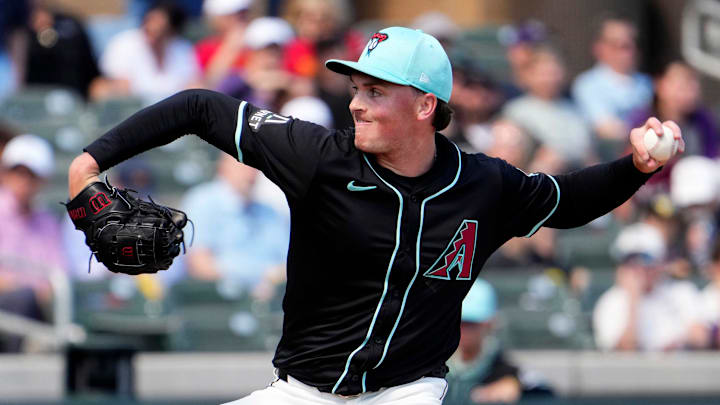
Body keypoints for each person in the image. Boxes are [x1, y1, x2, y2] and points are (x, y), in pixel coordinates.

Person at [68, 26, 683, 404]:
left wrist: (636, 166)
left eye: (375, 91)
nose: (356, 103)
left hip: (407, 394)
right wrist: (90, 161)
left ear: (424, 106)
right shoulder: (319, 159)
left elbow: (568, 201)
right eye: (357, 88)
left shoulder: (483, 185)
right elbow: (201, 106)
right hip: (300, 395)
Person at [181, 154, 289, 301]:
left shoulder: (268, 211)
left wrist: (273, 279)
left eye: (255, 166)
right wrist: (259, 276)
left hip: (272, 301)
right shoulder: (202, 201)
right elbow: (199, 265)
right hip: (219, 303)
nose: (251, 172)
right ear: (223, 167)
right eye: (243, 164)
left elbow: (289, 263)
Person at [593, 222, 707, 351]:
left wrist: (677, 343)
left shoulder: (682, 292)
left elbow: (700, 338)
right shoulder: (610, 302)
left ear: (660, 263)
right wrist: (633, 301)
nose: (638, 268)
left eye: (645, 260)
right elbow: (625, 351)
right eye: (630, 261)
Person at [1, 134, 67, 352]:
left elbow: (57, 275)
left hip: (34, 309)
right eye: (18, 172)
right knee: (23, 300)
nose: (24, 181)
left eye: (31, 175)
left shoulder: (47, 222)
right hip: (13, 305)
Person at [89, 1, 199, 103]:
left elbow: (193, 85)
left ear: (172, 32)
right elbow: (105, 85)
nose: (153, 34)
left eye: (160, 31)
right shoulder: (124, 43)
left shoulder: (183, 50)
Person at [502, 45, 592, 170]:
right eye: (543, 74)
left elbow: (586, 152)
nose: (549, 79)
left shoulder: (574, 110)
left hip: (573, 174)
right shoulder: (517, 110)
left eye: (554, 73)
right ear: (528, 76)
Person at [572, 16, 653, 143]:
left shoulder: (647, 83)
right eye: (619, 44)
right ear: (599, 48)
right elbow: (605, 129)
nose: (628, 51)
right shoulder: (587, 84)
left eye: (632, 43)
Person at [444, 279, 522, 404]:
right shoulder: (433, 360)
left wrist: (511, 384)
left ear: (489, 324)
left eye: (472, 324)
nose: (464, 330)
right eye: (459, 322)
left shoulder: (498, 362)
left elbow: (513, 383)